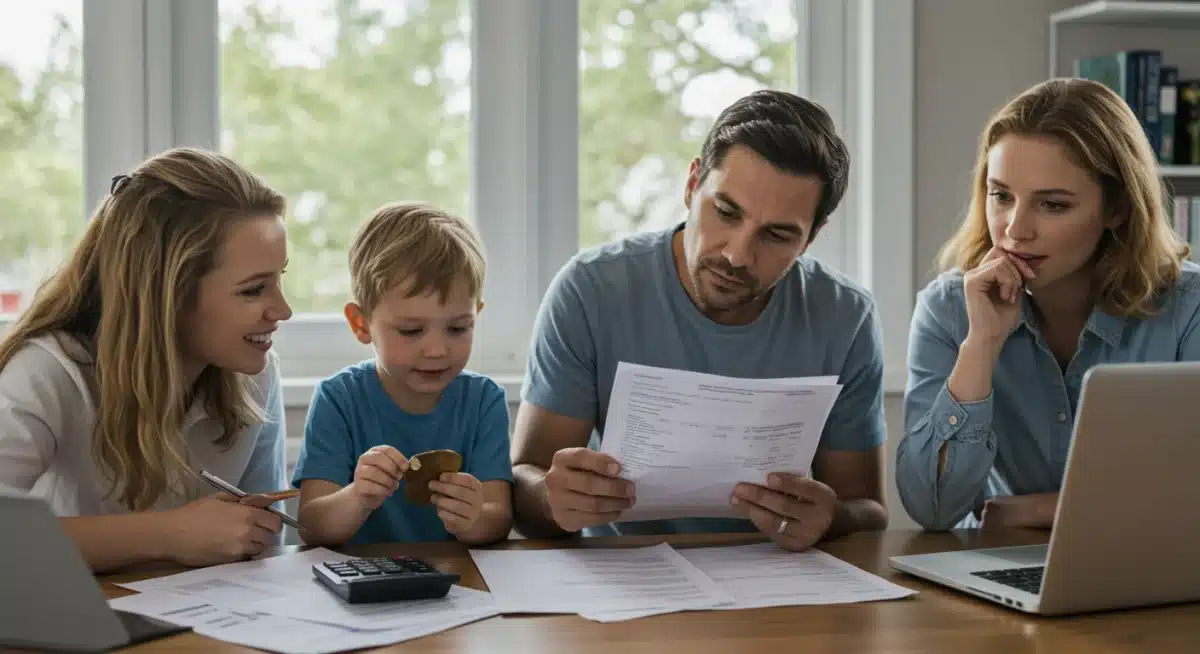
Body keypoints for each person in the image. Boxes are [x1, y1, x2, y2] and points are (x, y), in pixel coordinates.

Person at [510, 89, 889, 552]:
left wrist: (831, 518)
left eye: (777, 235)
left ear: (811, 238)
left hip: (774, 573)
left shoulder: (845, 317)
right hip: (619, 570)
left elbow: (868, 509)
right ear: (692, 185)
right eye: (726, 212)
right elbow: (525, 485)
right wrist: (552, 500)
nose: (737, 255)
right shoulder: (591, 290)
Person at [897, 78, 1200, 531]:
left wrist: (1042, 511)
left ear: (1117, 209)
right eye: (1001, 196)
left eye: (1053, 205)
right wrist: (981, 345)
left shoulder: (1189, 309)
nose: (1015, 230)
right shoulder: (948, 309)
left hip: (1151, 563)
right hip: (998, 565)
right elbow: (931, 509)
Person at [0, 147, 294, 572]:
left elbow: (263, 547)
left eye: (279, 279)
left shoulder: (255, 374)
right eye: (253, 290)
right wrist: (170, 535)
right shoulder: (47, 372)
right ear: (167, 294)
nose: (283, 310)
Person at [293, 202, 513, 546]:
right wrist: (358, 497)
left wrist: (474, 519)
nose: (437, 350)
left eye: (458, 328)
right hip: (359, 576)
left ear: (476, 316)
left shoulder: (484, 400)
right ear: (361, 324)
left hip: (457, 575)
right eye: (411, 331)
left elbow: (498, 519)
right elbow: (311, 527)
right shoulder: (338, 399)